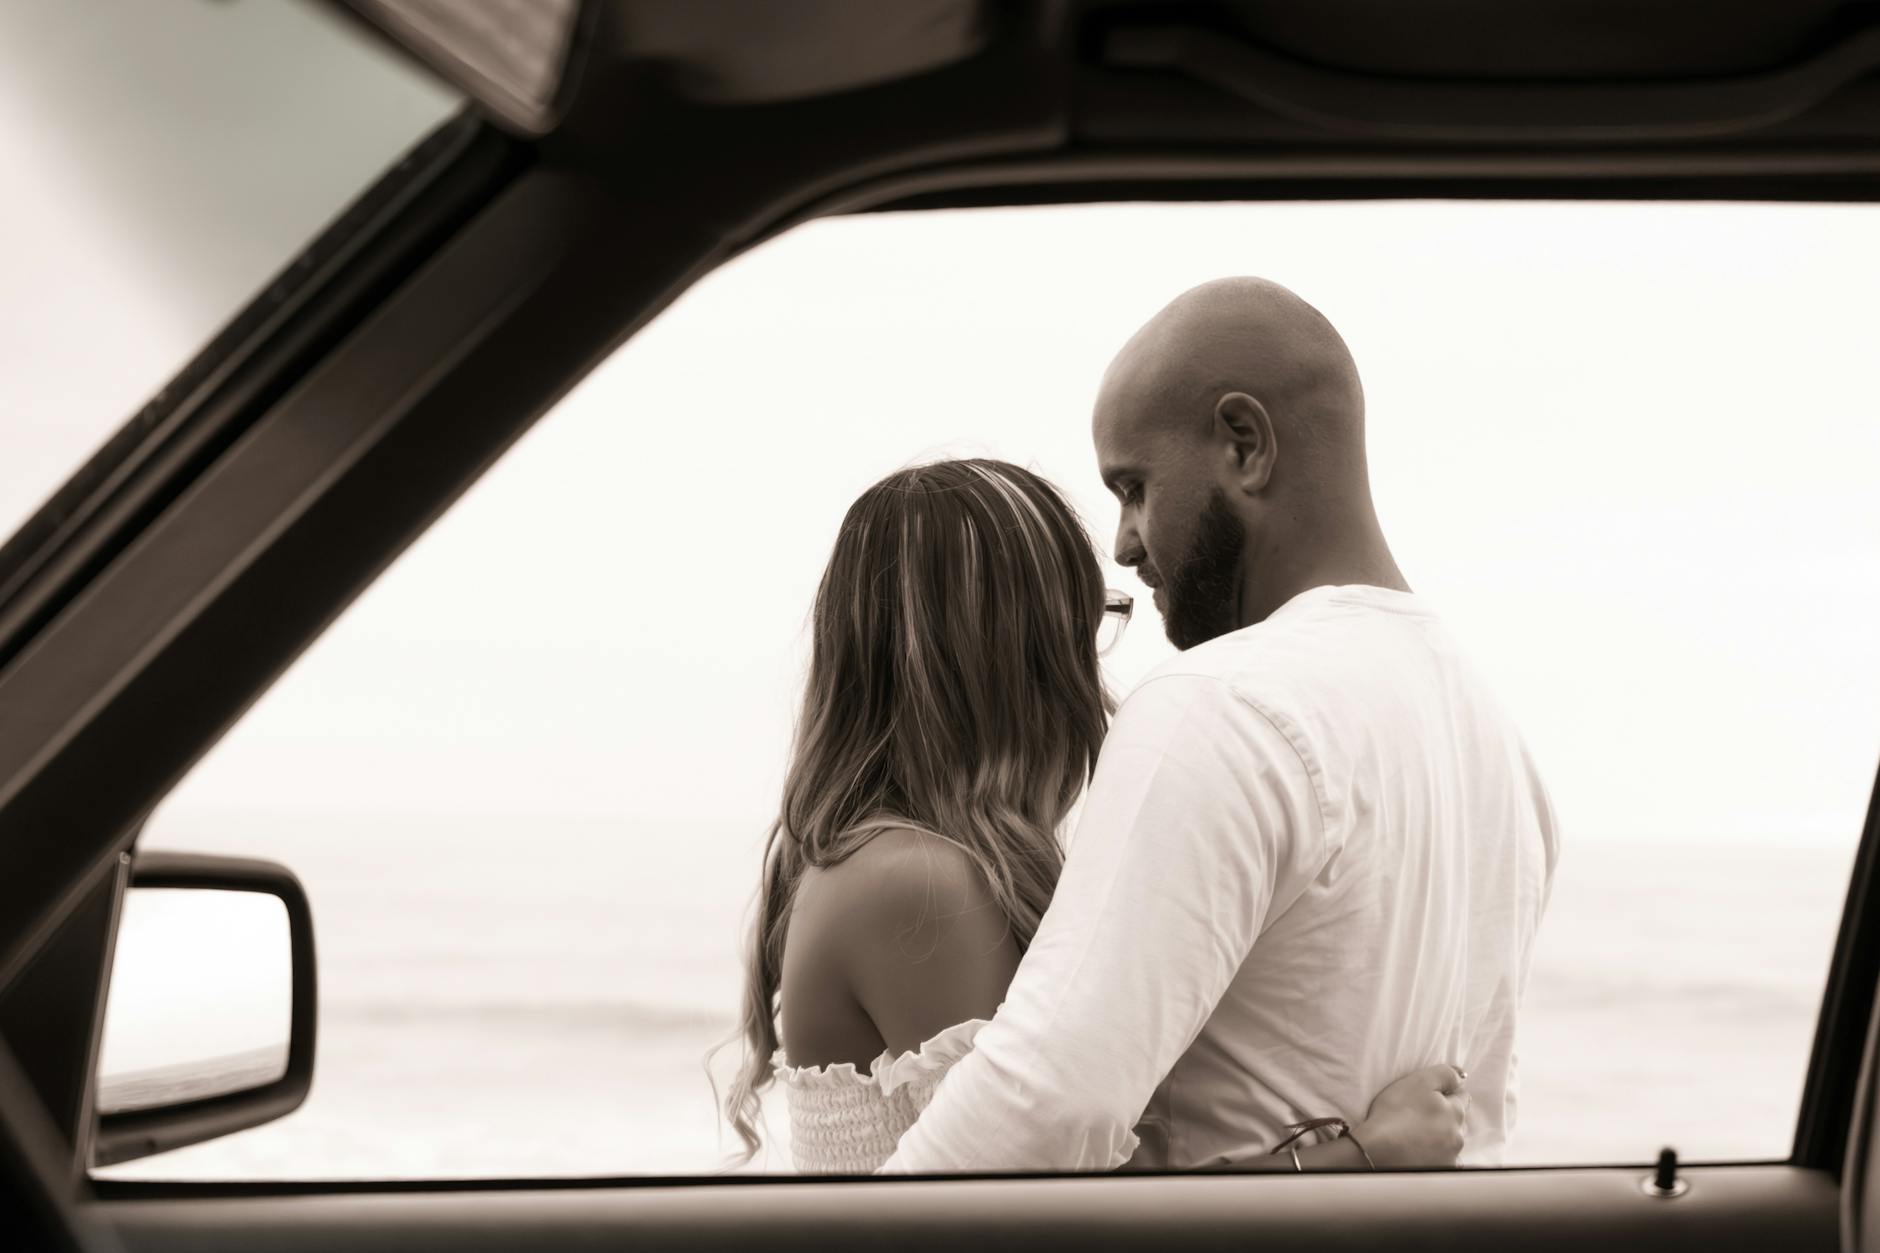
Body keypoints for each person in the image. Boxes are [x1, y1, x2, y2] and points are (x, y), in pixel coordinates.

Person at [878, 279, 1560, 1174]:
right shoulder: (1497, 742)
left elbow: (1044, 1108)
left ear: (1244, 445)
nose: (1122, 543)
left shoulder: (1219, 702)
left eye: (1134, 486)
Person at [720, 457, 1468, 1174]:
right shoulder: (914, 882)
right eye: (1087, 621)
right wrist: (1367, 1152)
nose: (1091, 666)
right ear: (1021, 648)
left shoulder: (876, 858)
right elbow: (1056, 1189)